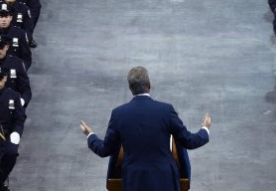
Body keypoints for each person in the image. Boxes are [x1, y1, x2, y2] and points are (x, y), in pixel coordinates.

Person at [79, 66, 211, 191]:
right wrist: (205, 128)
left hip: (134, 182)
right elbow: (189, 141)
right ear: (149, 84)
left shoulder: (119, 114)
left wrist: (90, 135)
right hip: (164, 181)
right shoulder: (166, 110)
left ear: (130, 88)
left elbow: (104, 150)